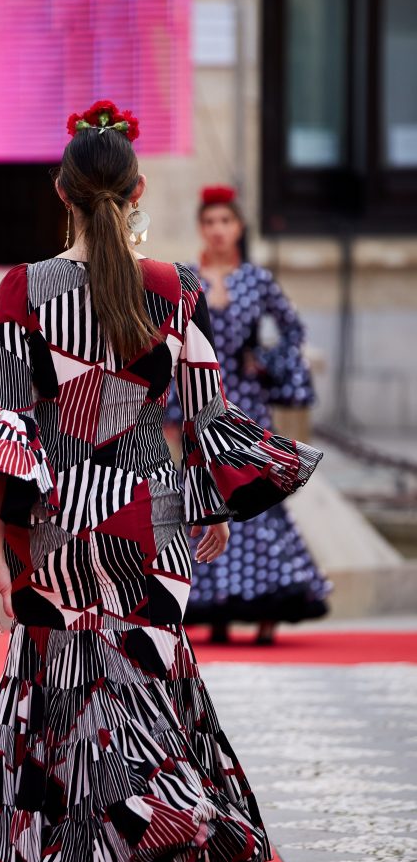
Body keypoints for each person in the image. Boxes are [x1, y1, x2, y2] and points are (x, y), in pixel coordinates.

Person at [0, 102, 323, 862]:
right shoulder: (176, 288)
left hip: (60, 519)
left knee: (63, 702)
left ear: (59, 192)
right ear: (137, 193)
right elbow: (211, 416)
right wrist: (208, 504)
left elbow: (10, 426)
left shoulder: (23, 290)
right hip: (150, 516)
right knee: (143, 699)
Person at [165, 185, 330, 645]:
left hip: (247, 406)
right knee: (205, 497)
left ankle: (270, 607)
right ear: (201, 228)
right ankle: (215, 607)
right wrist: (174, 412)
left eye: (226, 221)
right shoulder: (187, 279)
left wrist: (267, 360)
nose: (218, 230)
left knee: (255, 502)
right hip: (203, 405)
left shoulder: (257, 280)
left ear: (238, 227)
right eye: (210, 222)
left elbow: (294, 329)